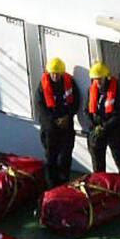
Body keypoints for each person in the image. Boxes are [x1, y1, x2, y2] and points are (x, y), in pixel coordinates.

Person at [35, 57, 79, 186]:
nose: (55, 76)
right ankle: (51, 184)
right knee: (51, 158)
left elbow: (76, 101)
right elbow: (40, 106)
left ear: (62, 73)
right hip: (50, 128)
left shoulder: (69, 82)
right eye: (52, 73)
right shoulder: (42, 86)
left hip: (66, 125)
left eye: (57, 73)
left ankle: (64, 182)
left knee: (65, 156)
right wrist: (52, 122)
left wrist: (67, 117)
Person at [82, 61, 120, 175]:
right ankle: (100, 188)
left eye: (100, 79)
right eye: (95, 79)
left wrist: (104, 127)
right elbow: (86, 110)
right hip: (96, 130)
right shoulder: (91, 91)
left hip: (113, 130)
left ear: (106, 78)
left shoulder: (117, 90)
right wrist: (94, 126)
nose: (98, 82)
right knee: (97, 164)